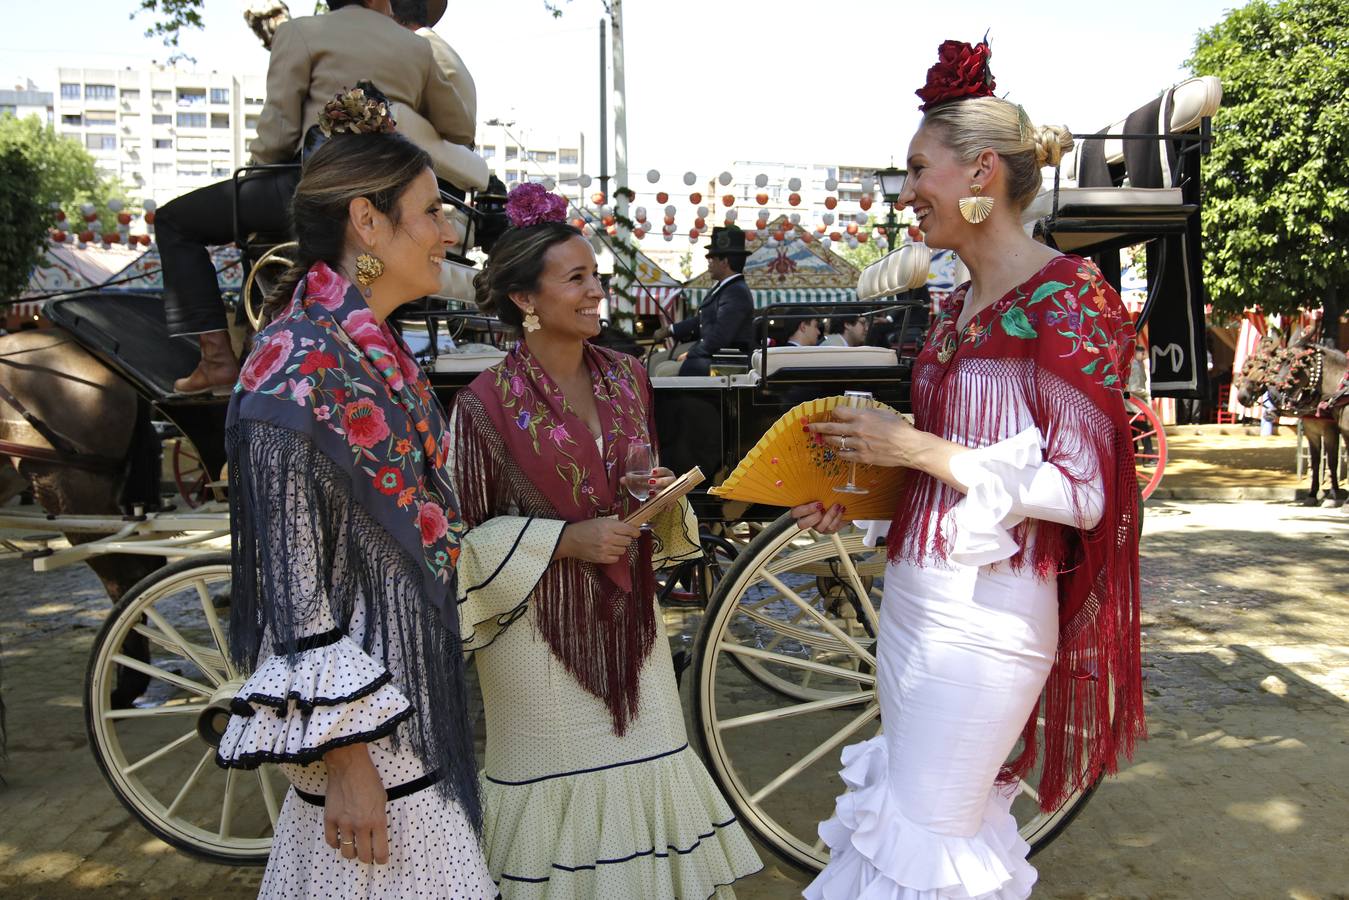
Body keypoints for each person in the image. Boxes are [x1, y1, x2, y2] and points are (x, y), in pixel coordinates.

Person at [793, 38, 1144, 899]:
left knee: (925, 836)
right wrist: (870, 488)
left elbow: (1085, 493)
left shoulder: (1071, 299)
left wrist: (911, 445)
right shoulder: (955, 306)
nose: (906, 192)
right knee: (915, 833)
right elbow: (954, 465)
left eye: (918, 169)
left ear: (981, 171)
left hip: (987, 625)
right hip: (913, 606)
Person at [213, 94, 495, 898]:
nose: (448, 232)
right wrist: (344, 761)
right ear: (367, 224)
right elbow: (294, 590)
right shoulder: (297, 366)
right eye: (432, 212)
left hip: (400, 714)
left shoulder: (368, 353)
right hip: (368, 746)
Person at [447, 184, 762, 898]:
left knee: (652, 772)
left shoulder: (625, 378)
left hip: (630, 622)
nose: (597, 293)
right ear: (526, 299)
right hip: (533, 636)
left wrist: (646, 493)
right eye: (577, 278)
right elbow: (459, 541)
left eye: (598, 277)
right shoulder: (482, 406)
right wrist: (562, 541)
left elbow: (621, 484)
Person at [158, 0, 476, 395]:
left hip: (314, 184)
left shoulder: (300, 32)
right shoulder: (416, 46)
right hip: (390, 188)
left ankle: (217, 359)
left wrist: (255, 178)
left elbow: (278, 131)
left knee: (173, 219)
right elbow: (460, 128)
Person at [653, 226, 755, 376]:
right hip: (716, 355)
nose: (709, 262)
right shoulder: (725, 287)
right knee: (656, 361)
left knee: (663, 371)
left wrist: (691, 354)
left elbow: (720, 337)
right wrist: (671, 330)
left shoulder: (735, 292)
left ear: (725, 262)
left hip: (727, 361)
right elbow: (702, 320)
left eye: (712, 258)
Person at [1129, 342, 1154, 455]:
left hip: (1133, 404)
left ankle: (1134, 451)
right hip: (1134, 404)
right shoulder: (1134, 365)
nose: (1143, 355)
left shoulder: (1138, 364)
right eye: (1141, 353)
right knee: (1144, 429)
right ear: (1136, 353)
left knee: (1133, 430)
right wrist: (1146, 394)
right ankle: (1148, 455)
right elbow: (1133, 388)